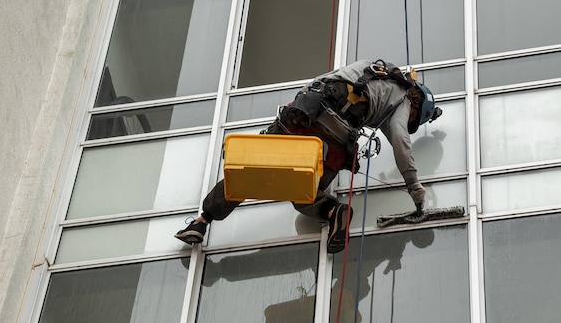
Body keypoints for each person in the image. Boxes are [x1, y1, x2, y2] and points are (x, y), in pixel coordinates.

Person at [175, 59, 442, 253]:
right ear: (417, 104)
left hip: (307, 112)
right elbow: (401, 143)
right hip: (335, 135)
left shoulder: (378, 72)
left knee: (254, 168)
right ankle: (333, 210)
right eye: (413, 120)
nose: (407, 121)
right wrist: (415, 187)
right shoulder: (402, 99)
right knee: (302, 189)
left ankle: (201, 222)